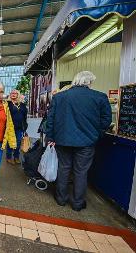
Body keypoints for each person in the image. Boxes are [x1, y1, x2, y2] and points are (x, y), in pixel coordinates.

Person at [46, 71, 111, 211]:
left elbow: (50, 119)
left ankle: (61, 199)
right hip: (87, 142)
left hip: (62, 141)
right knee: (81, 172)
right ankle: (77, 203)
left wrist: (51, 137)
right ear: (89, 82)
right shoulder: (100, 97)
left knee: (63, 169)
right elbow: (106, 120)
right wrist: (96, 134)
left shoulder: (59, 97)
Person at [6, 89, 28, 164]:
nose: (14, 94)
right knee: (10, 143)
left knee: (18, 143)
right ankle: (9, 157)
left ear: (18, 95)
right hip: (10, 127)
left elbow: (25, 116)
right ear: (10, 94)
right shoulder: (7, 104)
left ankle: (16, 157)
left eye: (15, 93)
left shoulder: (22, 105)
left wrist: (25, 126)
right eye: (12, 93)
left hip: (20, 127)